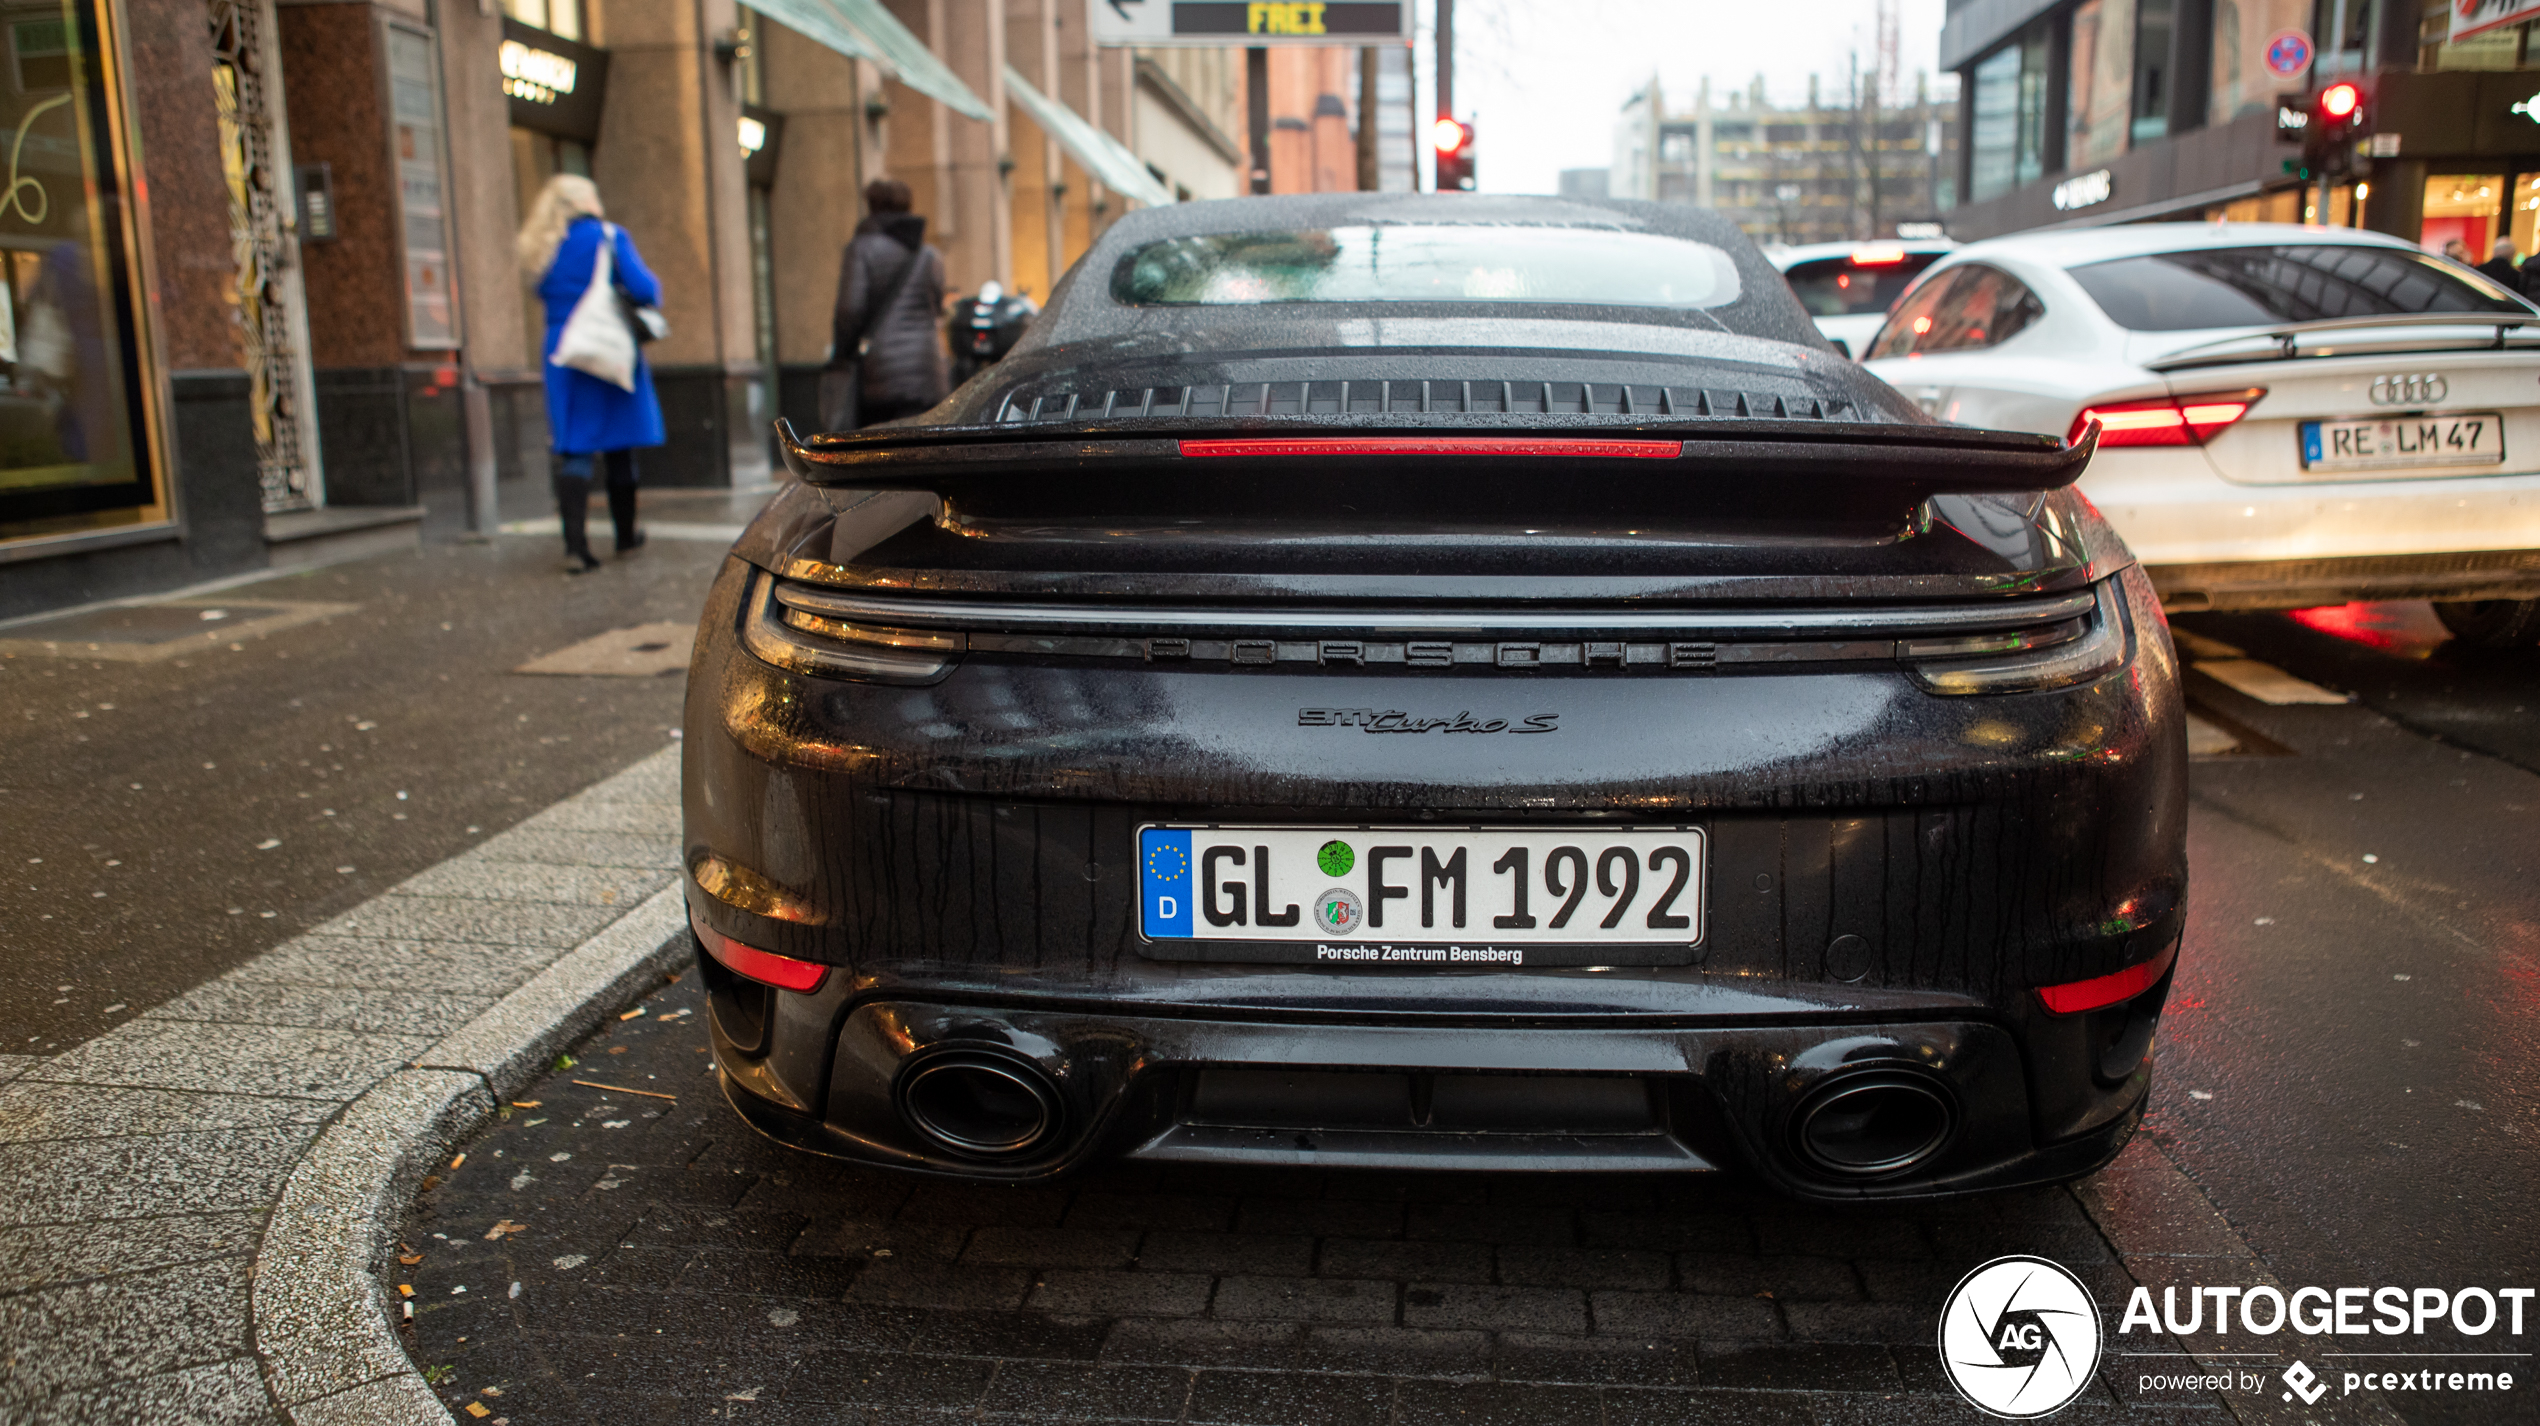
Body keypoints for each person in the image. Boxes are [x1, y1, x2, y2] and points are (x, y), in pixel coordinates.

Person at [518, 174, 663, 574]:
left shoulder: (543, 247)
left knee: (575, 449)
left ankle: (576, 548)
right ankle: (626, 536)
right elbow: (647, 290)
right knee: (620, 446)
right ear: (588, 201)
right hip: (608, 348)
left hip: (565, 350)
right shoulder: (610, 236)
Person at [829, 179, 947, 428]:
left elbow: (850, 309)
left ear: (871, 207)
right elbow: (937, 306)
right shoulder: (930, 255)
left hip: (879, 371)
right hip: (926, 368)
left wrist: (843, 354)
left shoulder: (861, 250)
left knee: (880, 448)